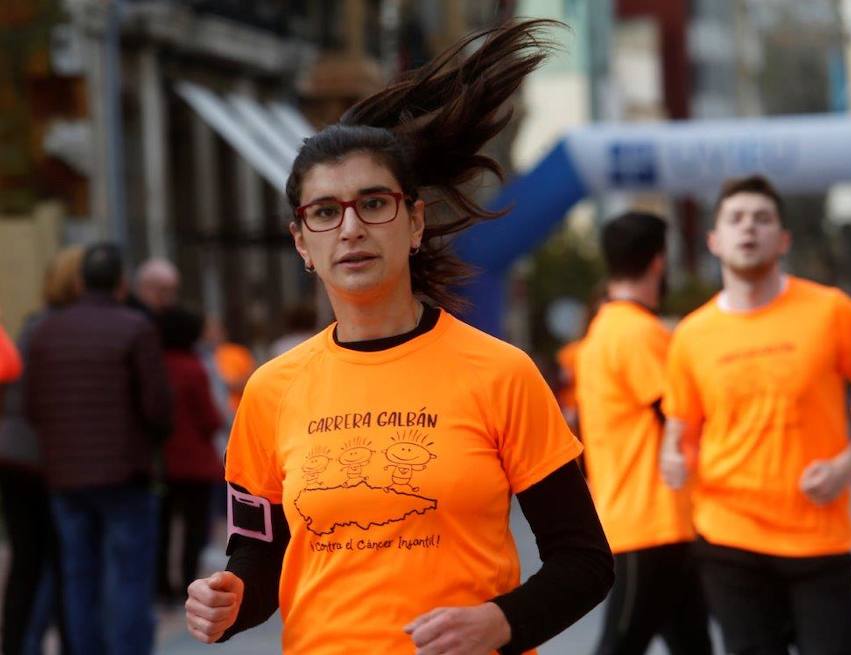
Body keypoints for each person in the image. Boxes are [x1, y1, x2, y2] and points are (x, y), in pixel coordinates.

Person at [185, 19, 614, 655]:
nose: (351, 228)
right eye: (325, 212)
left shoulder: (500, 373)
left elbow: (585, 563)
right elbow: (257, 561)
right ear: (303, 242)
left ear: (413, 222)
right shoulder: (271, 390)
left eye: (374, 204)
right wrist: (226, 601)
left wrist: (500, 622)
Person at [660, 175, 851, 655]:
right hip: (730, 539)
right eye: (736, 218)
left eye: (763, 218)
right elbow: (680, 427)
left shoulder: (830, 311)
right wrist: (672, 458)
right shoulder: (692, 334)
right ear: (715, 240)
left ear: (783, 239)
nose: (749, 227)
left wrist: (847, 466)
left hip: (818, 539)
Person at [25, 243, 172, 655]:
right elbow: (157, 408)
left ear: (79, 281)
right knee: (127, 577)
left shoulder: (44, 332)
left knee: (79, 576)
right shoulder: (136, 328)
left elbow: (33, 407)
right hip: (126, 473)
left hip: (65, 475)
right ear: (123, 284)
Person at [576, 212, 711, 655]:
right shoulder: (639, 333)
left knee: (692, 643)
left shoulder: (603, 328)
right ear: (659, 262)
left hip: (645, 518)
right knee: (620, 645)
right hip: (651, 521)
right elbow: (681, 418)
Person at [0, 246, 83, 655]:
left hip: (18, 453)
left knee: (29, 561)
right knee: (50, 559)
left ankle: (19, 642)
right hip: (40, 458)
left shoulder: (34, 326)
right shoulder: (56, 329)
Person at [156, 307, 224, 603]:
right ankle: (187, 579)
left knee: (163, 526)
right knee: (195, 527)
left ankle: (161, 583)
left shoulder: (155, 365)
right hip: (196, 460)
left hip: (162, 461)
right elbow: (209, 417)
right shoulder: (194, 367)